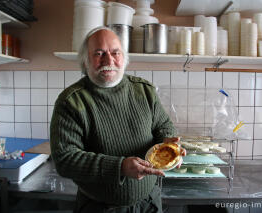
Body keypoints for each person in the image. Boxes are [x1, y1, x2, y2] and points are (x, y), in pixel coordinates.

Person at [50, 26, 185, 213]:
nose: (109, 60)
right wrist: (119, 167)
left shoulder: (144, 91)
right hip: (99, 208)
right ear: (85, 60)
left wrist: (168, 142)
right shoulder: (71, 101)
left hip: (149, 203)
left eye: (115, 52)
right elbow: (65, 160)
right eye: (99, 53)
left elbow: (164, 126)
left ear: (124, 58)